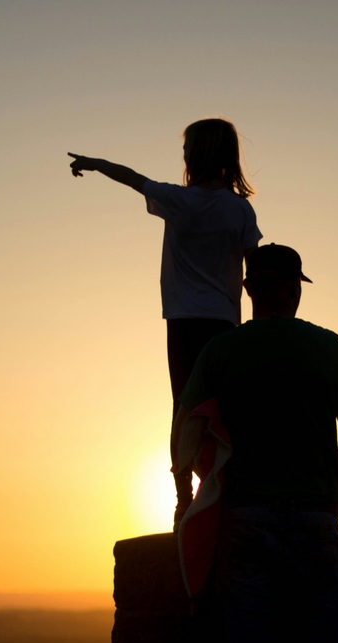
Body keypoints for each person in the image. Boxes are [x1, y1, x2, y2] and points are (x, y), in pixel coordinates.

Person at [172, 243, 338, 643]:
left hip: (245, 521)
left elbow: (185, 436)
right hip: (316, 521)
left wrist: (192, 494)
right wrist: (331, 487)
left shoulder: (219, 352)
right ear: (292, 290)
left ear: (248, 291)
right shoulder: (331, 347)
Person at [67, 118, 261, 507]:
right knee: (227, 406)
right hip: (224, 323)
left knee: (184, 405)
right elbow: (254, 272)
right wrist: (256, 329)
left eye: (187, 147)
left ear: (202, 153)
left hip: (185, 321)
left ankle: (184, 497)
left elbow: (131, 177)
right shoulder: (239, 210)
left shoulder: (180, 200)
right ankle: (226, 488)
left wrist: (92, 162)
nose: (184, 154)